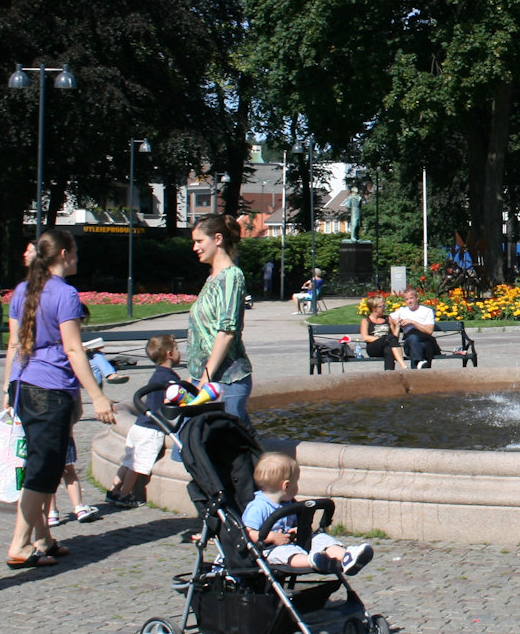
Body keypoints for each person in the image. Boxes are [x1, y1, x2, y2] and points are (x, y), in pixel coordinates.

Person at [1, 230, 117, 569]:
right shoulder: (65, 293)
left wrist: (9, 389)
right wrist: (96, 395)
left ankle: (43, 538)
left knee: (38, 460)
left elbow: (13, 343)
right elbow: (72, 348)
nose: (77, 258)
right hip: (50, 388)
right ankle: (20, 543)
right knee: (45, 467)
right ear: (65, 254)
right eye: (75, 252)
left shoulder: (22, 290)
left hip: (25, 383)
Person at [243, 452, 373, 575]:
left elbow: (294, 525)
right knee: (286, 553)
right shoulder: (258, 507)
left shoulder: (288, 503)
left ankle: (346, 556)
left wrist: (296, 530)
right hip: (269, 549)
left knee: (319, 538)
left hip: (292, 541)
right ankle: (313, 561)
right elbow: (247, 533)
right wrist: (272, 537)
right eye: (296, 482)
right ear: (286, 486)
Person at [188, 215, 254, 423]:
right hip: (208, 380)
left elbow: (226, 332)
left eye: (199, 241)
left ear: (217, 239)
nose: (195, 247)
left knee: (227, 447)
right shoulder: (213, 278)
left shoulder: (231, 276)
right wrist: (196, 378)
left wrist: (204, 380)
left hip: (226, 381)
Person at [104, 334, 183, 508]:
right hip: (152, 429)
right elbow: (176, 399)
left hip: (139, 425)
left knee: (127, 461)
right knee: (137, 464)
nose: (179, 352)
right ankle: (125, 494)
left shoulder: (157, 375)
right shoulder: (170, 378)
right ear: (169, 354)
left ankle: (113, 490)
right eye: (177, 349)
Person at [389, 287, 438, 368]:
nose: (409, 301)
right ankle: (419, 362)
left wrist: (412, 322)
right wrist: (397, 321)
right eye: (407, 299)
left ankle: (418, 366)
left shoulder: (427, 311)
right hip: (409, 342)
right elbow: (390, 318)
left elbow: (429, 331)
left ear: (417, 298)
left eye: (411, 298)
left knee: (419, 345)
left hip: (424, 341)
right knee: (412, 338)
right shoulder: (402, 311)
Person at [357, 296, 399, 366]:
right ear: (374, 309)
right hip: (373, 347)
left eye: (384, 306)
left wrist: (397, 326)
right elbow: (365, 337)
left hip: (387, 345)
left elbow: (395, 339)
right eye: (381, 306)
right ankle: (403, 365)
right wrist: (383, 339)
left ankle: (389, 373)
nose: (384, 308)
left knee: (388, 349)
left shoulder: (388, 318)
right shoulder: (366, 321)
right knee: (389, 338)